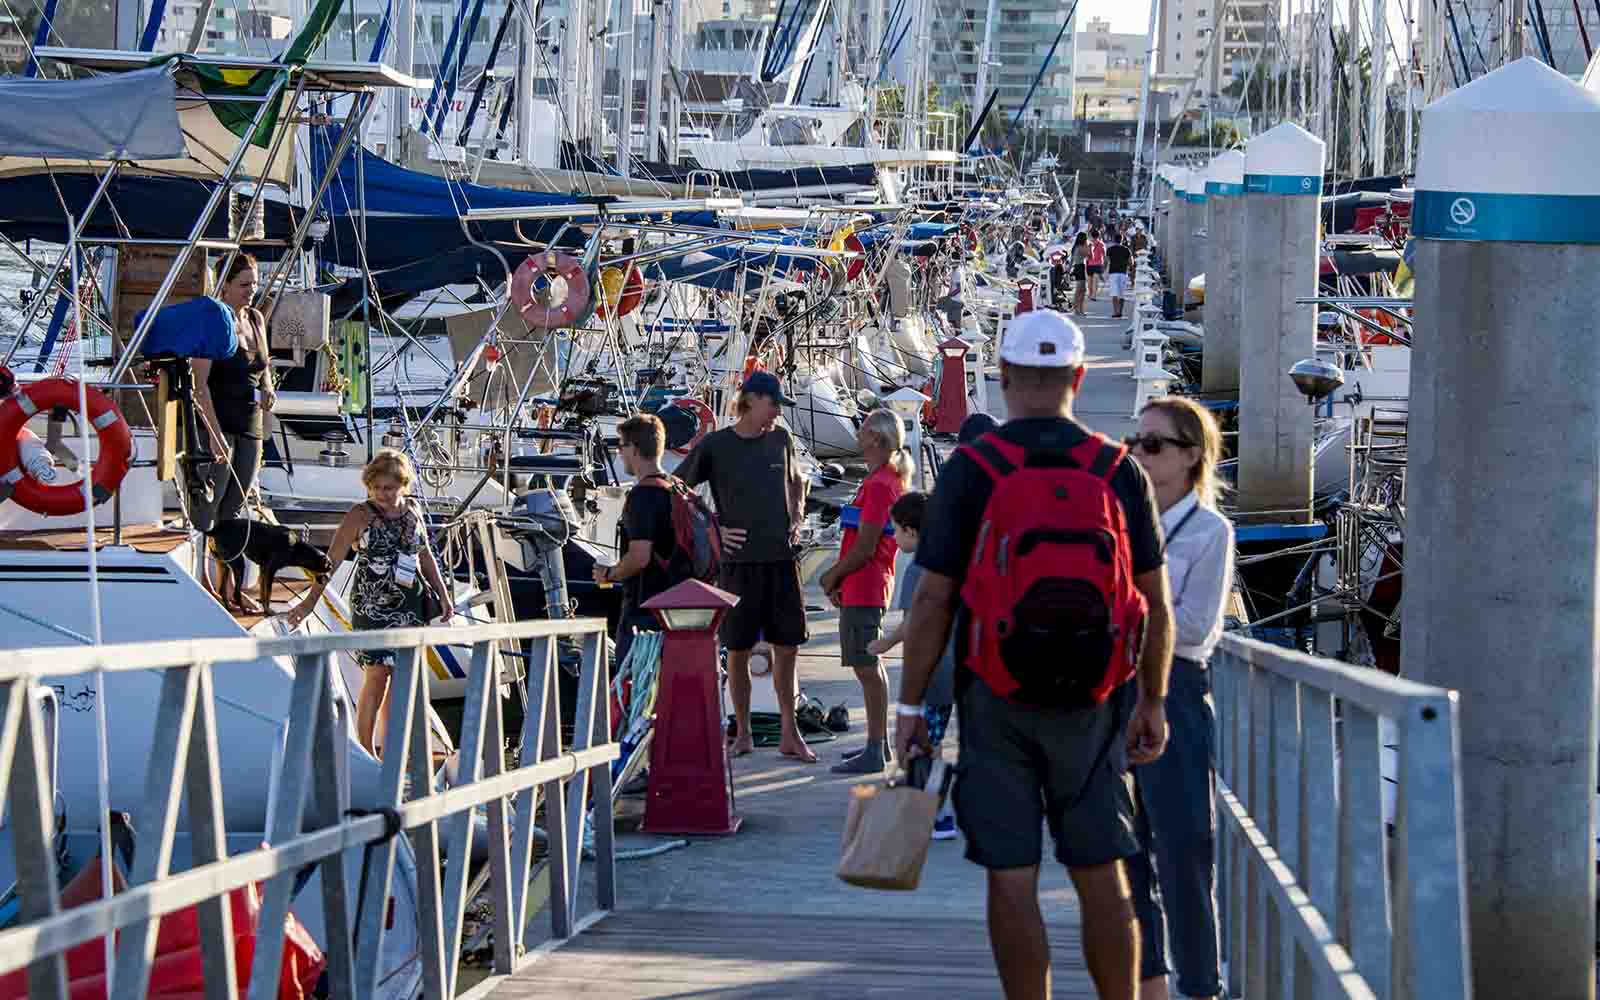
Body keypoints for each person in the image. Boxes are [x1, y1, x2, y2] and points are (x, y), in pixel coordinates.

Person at [894, 309, 1175, 1000]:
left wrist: (909, 705)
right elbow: (1155, 601)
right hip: (1096, 699)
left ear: (1005, 376)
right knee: (1102, 871)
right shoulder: (1117, 468)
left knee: (1011, 875)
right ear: (1079, 377)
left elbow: (931, 600)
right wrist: (1154, 701)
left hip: (994, 697)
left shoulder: (973, 467)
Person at [1124, 397, 1234, 1000]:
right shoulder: (1123, 522)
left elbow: (1194, 629)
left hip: (1180, 689)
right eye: (1134, 441)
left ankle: (1200, 982)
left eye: (1154, 444)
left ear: (1192, 456)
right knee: (1125, 848)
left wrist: (1132, 610)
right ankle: (1150, 981)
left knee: (1186, 844)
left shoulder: (1211, 531)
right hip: (1117, 690)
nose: (1140, 453)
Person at [676, 370, 814, 762]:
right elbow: (678, 491)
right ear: (751, 400)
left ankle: (790, 733)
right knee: (737, 649)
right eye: (773, 405)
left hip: (782, 561)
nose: (776, 414)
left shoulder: (781, 439)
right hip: (738, 564)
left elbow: (795, 480)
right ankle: (744, 733)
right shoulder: (717, 445)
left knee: (787, 648)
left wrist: (798, 511)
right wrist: (713, 529)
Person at [286, 449, 454, 755]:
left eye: (388, 488)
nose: (381, 494)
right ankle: (365, 749)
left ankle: (390, 749)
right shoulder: (359, 515)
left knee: (402, 676)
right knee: (376, 674)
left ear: (403, 485)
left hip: (408, 603)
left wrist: (443, 596)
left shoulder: (413, 510)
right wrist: (310, 603)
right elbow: (330, 562)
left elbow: (425, 555)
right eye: (375, 488)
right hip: (371, 603)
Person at [819, 409, 912, 774]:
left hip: (866, 584)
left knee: (866, 665)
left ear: (875, 438)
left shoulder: (878, 484)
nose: (857, 435)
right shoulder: (883, 478)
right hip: (866, 583)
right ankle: (878, 745)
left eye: (862, 430)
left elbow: (866, 547)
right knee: (866, 665)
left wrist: (831, 577)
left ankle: (876, 747)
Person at [194, 254, 275, 611]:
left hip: (251, 424)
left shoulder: (255, 318)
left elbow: (264, 365)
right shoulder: (213, 321)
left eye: (254, 285)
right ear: (224, 285)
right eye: (243, 285)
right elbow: (199, 386)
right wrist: (213, 435)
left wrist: (269, 388)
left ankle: (231, 587)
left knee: (235, 509)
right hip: (221, 423)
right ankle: (203, 579)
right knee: (211, 507)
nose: (250, 292)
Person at [593, 413, 684, 667]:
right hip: (677, 607)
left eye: (621, 446)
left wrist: (609, 573)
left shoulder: (643, 496)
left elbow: (640, 557)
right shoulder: (676, 487)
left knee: (636, 691)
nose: (620, 453)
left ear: (633, 448)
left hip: (645, 614)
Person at [1106, 232, 1134, 320]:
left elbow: (1106, 261)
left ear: (1114, 240)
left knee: (1114, 294)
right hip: (1123, 273)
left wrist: (1102, 272)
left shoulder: (1110, 249)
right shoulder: (1126, 250)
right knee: (1122, 294)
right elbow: (1131, 262)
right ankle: (1120, 312)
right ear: (1122, 240)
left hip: (1113, 273)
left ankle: (1115, 312)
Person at [1070, 232, 1090, 316]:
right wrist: (1087, 246)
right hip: (1080, 267)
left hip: (1077, 267)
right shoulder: (1081, 247)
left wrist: (1069, 269)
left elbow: (1072, 260)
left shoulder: (1075, 247)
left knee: (1081, 290)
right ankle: (1078, 309)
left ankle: (1078, 309)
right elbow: (1088, 255)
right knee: (1080, 290)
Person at [1086, 228, 1108, 302]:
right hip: (1098, 265)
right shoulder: (1102, 244)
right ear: (1098, 236)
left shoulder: (1089, 244)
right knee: (1095, 280)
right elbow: (1105, 255)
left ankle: (1090, 293)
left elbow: (1086, 255)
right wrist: (1105, 265)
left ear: (1092, 236)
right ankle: (1094, 295)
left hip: (1089, 264)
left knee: (1089, 280)